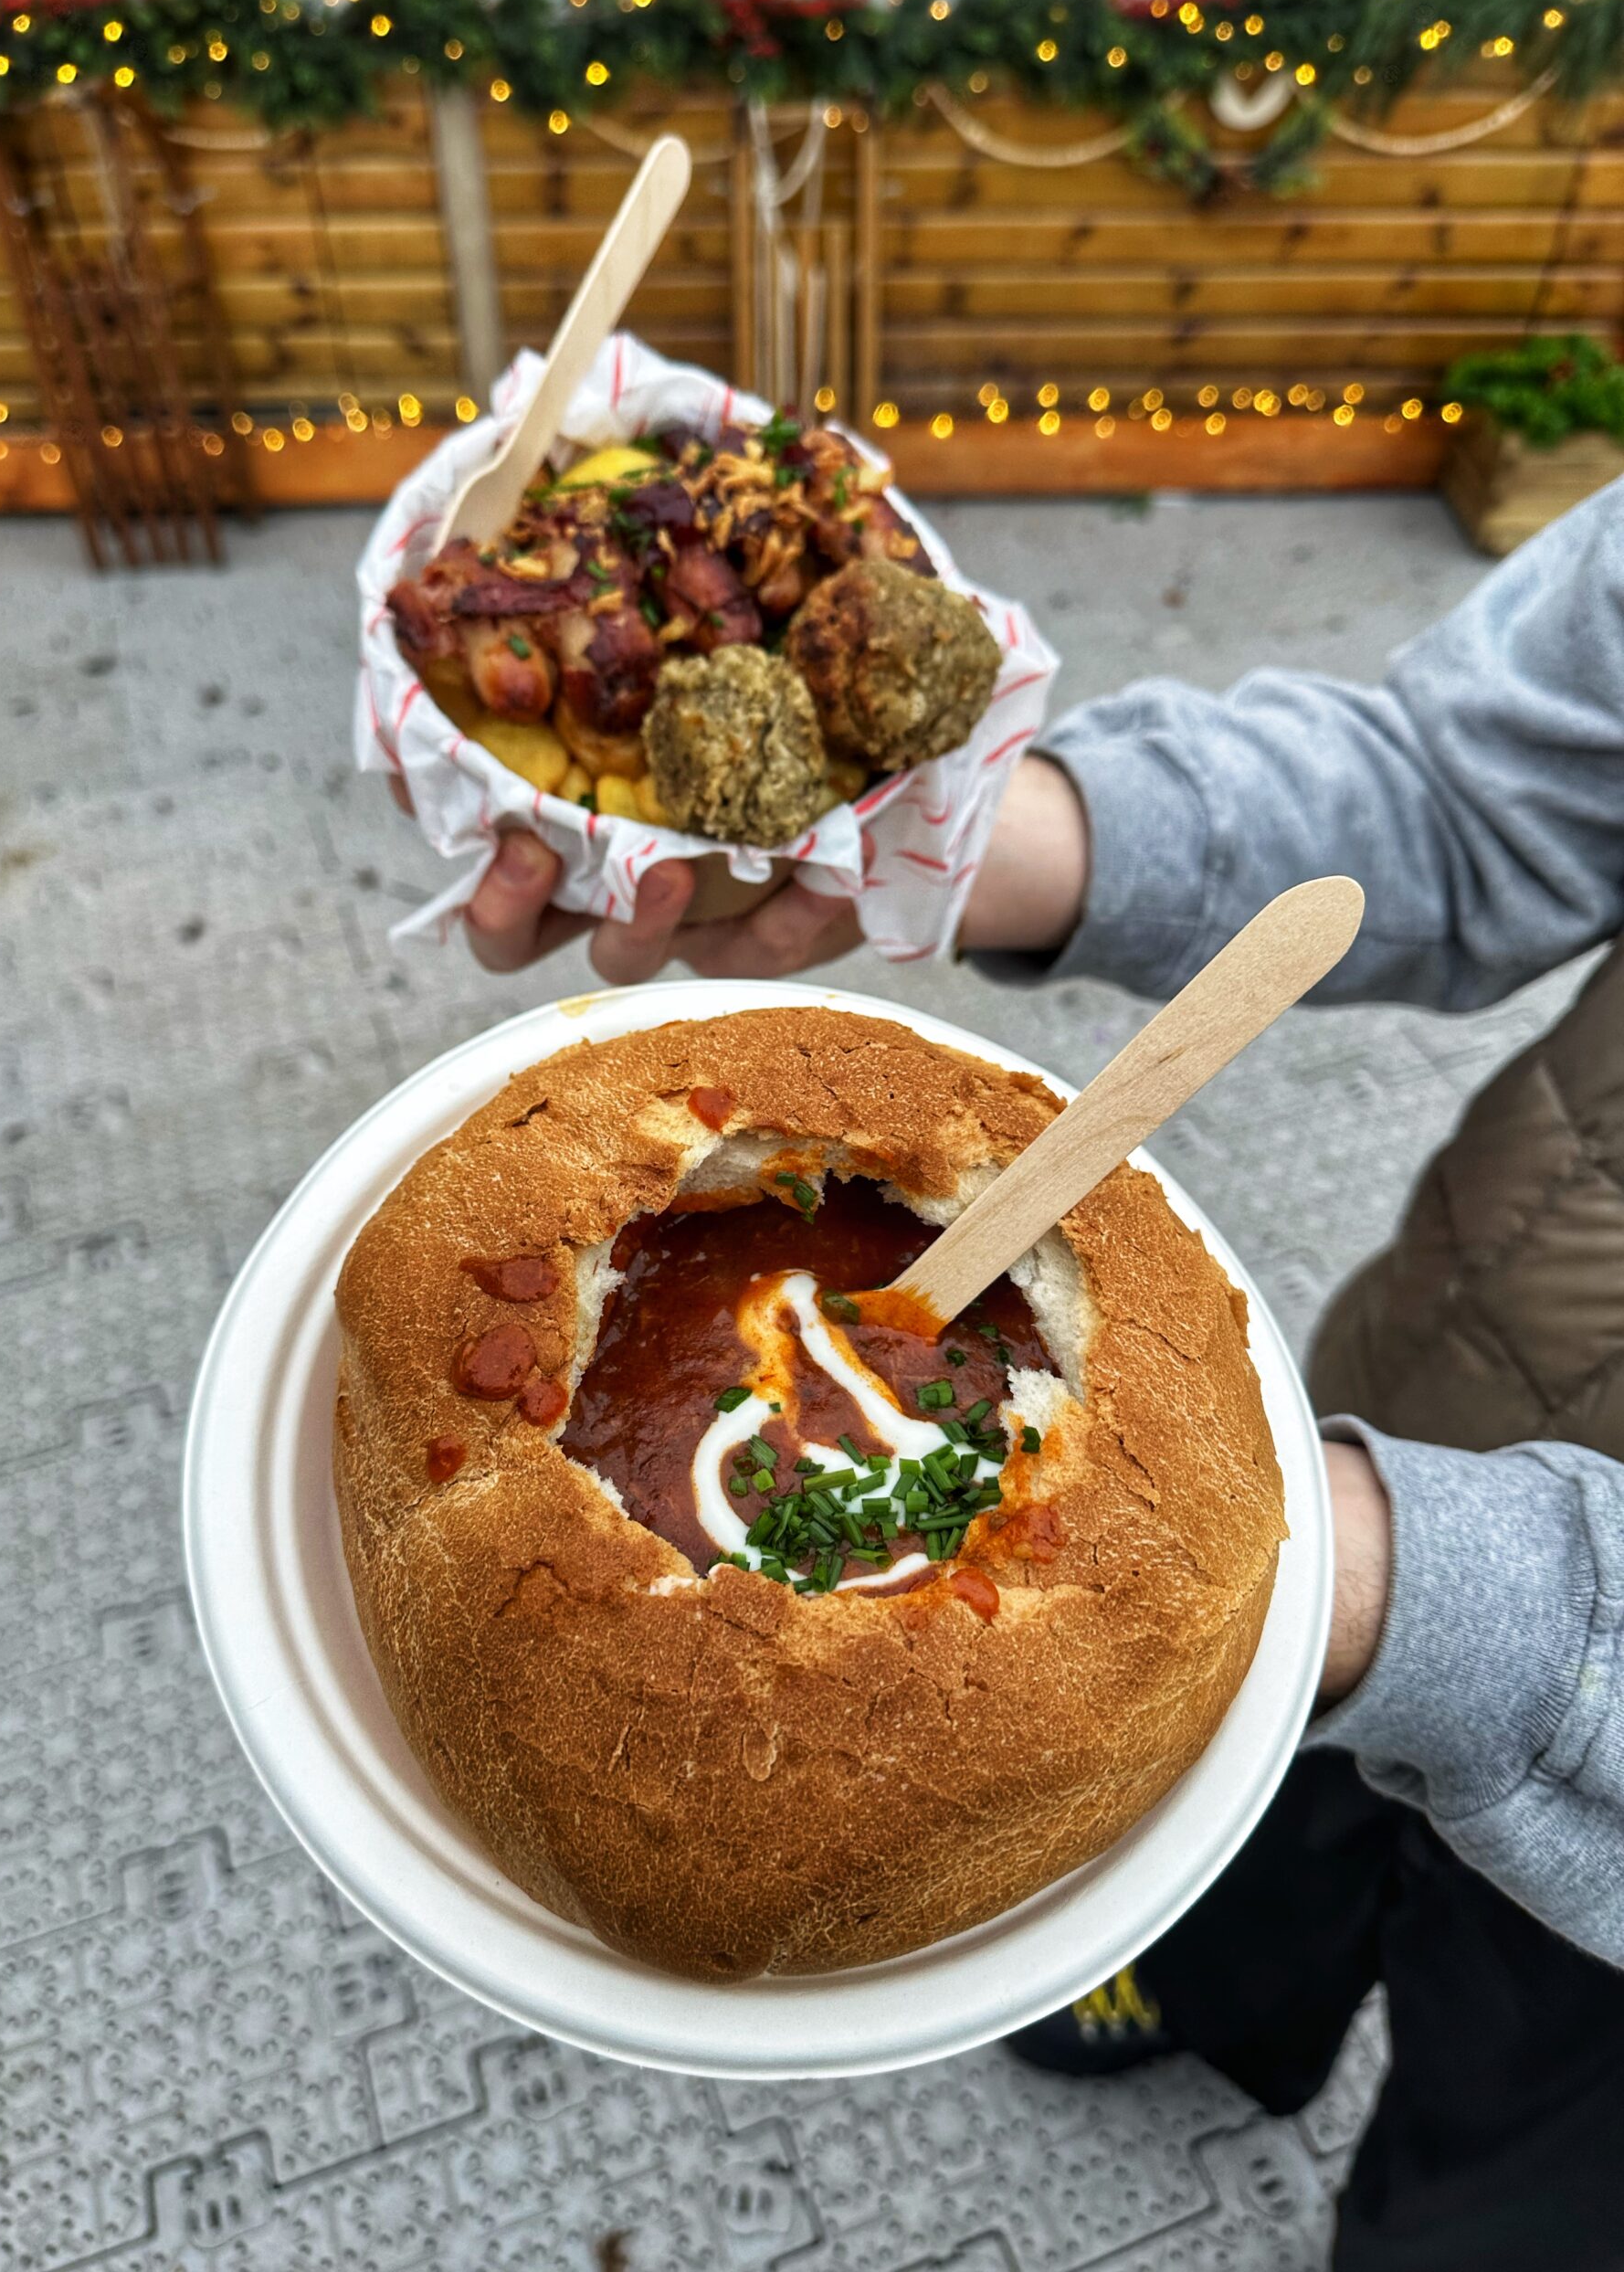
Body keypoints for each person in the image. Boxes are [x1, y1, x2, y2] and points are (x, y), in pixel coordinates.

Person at [444, 482, 1624, 2269]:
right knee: (1241, 1817)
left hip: (1537, 1767)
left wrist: (1427, 1590)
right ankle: (1217, 2000)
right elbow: (1472, 793)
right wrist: (948, 843)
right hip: (1438, 1379)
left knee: (1506, 2148)